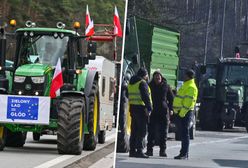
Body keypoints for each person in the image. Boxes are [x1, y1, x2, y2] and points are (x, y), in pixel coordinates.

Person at [145, 71, 174, 157]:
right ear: (153, 78)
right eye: (156, 77)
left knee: (163, 133)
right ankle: (149, 150)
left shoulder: (166, 86)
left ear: (161, 78)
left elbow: (172, 98)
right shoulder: (150, 86)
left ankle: (163, 151)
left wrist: (171, 109)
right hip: (153, 112)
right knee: (151, 132)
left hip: (163, 112)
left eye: (159, 77)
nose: (158, 79)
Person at [173, 69, 198, 160]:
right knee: (183, 134)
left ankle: (184, 153)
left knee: (185, 134)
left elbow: (188, 102)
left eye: (185, 75)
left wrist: (181, 113)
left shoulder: (191, 87)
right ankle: (183, 152)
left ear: (188, 76)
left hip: (185, 113)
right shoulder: (186, 85)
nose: (184, 77)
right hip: (181, 113)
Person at [127, 68, 152, 158]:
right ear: (144, 75)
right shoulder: (142, 83)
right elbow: (146, 97)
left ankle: (132, 151)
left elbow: (127, 95)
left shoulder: (131, 83)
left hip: (133, 108)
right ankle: (139, 151)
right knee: (142, 131)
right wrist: (149, 108)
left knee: (134, 131)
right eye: (146, 75)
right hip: (141, 109)